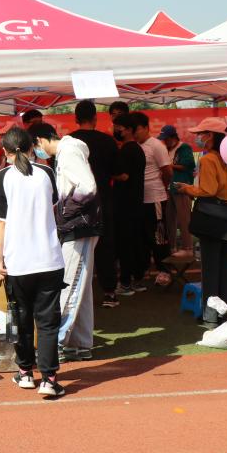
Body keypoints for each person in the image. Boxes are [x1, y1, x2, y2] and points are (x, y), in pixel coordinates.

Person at [0, 127, 66, 398]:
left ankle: (24, 372)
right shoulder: (46, 173)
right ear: (32, 147)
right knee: (47, 323)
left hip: (17, 263)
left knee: (19, 320)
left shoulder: (3, 177)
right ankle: (49, 379)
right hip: (48, 259)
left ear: (5, 151)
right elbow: (54, 207)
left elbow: (0, 222)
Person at [31, 123, 99, 361]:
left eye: (35, 147)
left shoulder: (68, 151)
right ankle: (79, 344)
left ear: (40, 141)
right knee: (80, 286)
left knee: (70, 285)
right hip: (80, 226)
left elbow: (88, 187)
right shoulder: (67, 151)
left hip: (78, 227)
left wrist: (64, 212)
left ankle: (57, 343)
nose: (37, 153)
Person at [174, 118, 227, 327]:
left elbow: (208, 190)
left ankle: (210, 316)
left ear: (210, 136)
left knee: (210, 269)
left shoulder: (209, 159)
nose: (198, 137)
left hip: (212, 219)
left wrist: (187, 188)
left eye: (200, 134)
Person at [68, 100, 119, 308]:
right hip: (103, 199)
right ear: (95, 118)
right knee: (105, 245)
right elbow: (118, 172)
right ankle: (109, 292)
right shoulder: (107, 141)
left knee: (77, 247)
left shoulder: (69, 141)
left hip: (77, 202)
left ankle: (77, 295)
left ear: (76, 119)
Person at [131, 112, 173, 286]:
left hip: (155, 197)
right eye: (132, 130)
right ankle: (144, 269)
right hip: (139, 199)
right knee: (143, 236)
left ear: (146, 128)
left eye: (137, 130)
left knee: (159, 235)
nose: (134, 134)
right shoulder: (134, 146)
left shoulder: (156, 145)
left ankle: (164, 270)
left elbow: (167, 171)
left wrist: (163, 188)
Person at [112, 114, 146, 302]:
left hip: (125, 203)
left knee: (125, 243)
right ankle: (137, 280)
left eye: (119, 127)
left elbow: (124, 176)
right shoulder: (137, 149)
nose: (117, 131)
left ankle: (125, 282)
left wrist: (106, 172)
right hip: (135, 202)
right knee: (135, 242)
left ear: (129, 130)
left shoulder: (127, 150)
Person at [159, 125, 196, 259]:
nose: (165, 141)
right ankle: (172, 247)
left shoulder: (184, 148)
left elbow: (188, 165)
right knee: (170, 219)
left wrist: (169, 166)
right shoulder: (167, 150)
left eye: (167, 139)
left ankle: (188, 248)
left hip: (182, 188)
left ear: (173, 137)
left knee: (184, 219)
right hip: (170, 188)